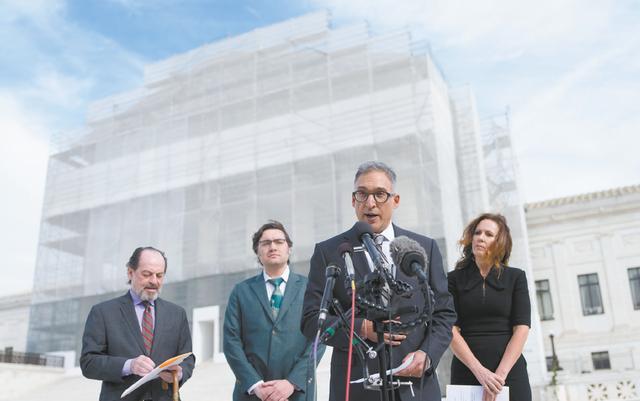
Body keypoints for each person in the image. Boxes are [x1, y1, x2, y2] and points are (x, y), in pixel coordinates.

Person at [301, 161, 456, 401]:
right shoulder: (329, 252)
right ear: (353, 200)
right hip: (357, 386)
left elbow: (444, 313)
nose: (370, 203)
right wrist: (362, 328)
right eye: (362, 194)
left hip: (415, 387)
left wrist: (427, 354)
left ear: (396, 200)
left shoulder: (424, 247)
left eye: (380, 194)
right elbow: (312, 321)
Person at [80, 246, 195, 401]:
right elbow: (88, 363)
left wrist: (178, 373)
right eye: (146, 274)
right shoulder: (103, 312)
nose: (154, 281)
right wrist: (129, 365)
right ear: (130, 272)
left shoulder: (177, 314)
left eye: (159, 275)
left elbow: (188, 358)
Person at [224, 221, 322, 401]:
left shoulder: (310, 288)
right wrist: (256, 385)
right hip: (252, 394)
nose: (273, 247)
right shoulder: (241, 291)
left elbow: (319, 338)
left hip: (297, 393)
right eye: (266, 243)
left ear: (289, 248)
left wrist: (291, 382)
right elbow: (231, 342)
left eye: (279, 241)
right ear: (257, 251)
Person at [448, 213, 531, 401]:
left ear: (500, 242)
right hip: (467, 371)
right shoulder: (453, 279)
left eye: (488, 234)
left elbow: (522, 328)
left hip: (509, 373)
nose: (480, 237)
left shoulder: (516, 277)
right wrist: (481, 373)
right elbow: (450, 329)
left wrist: (498, 378)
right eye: (477, 233)